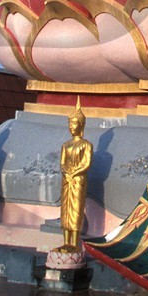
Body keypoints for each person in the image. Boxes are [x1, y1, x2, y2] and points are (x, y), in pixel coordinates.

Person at [57, 100, 94, 252]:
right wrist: (66, 172)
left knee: (76, 210)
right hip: (67, 180)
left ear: (81, 125)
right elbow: (62, 163)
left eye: (74, 123)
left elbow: (86, 163)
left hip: (78, 180)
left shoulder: (86, 145)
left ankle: (74, 242)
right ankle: (66, 241)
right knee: (65, 209)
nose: (71, 127)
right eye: (70, 124)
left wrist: (75, 172)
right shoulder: (65, 145)